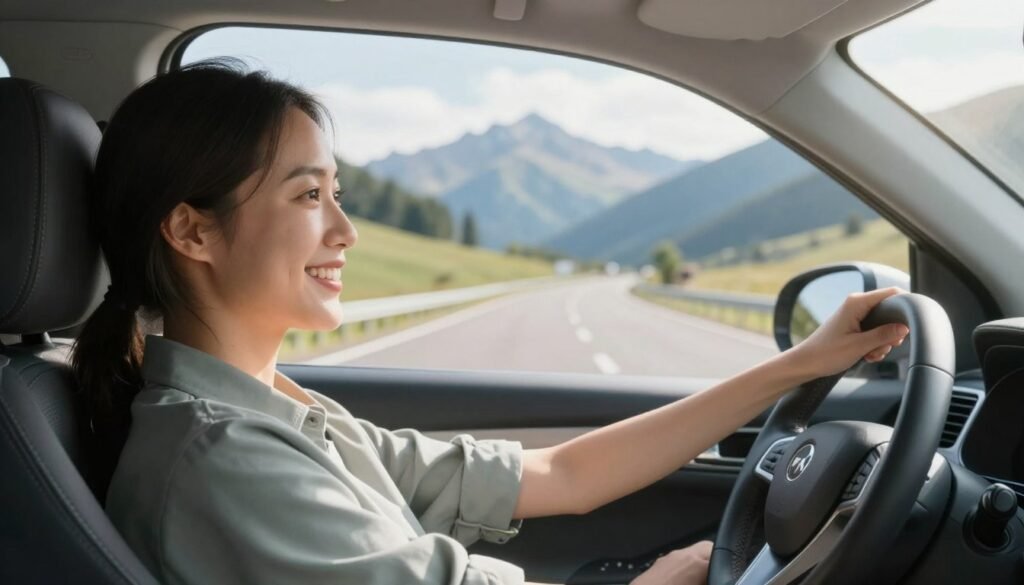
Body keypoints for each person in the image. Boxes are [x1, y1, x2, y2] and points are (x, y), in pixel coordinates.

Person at [70, 59, 909, 585]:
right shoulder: (222, 462)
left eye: (338, 193)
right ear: (192, 230)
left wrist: (799, 365)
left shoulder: (282, 415)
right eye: (307, 195)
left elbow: (561, 477)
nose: (345, 231)